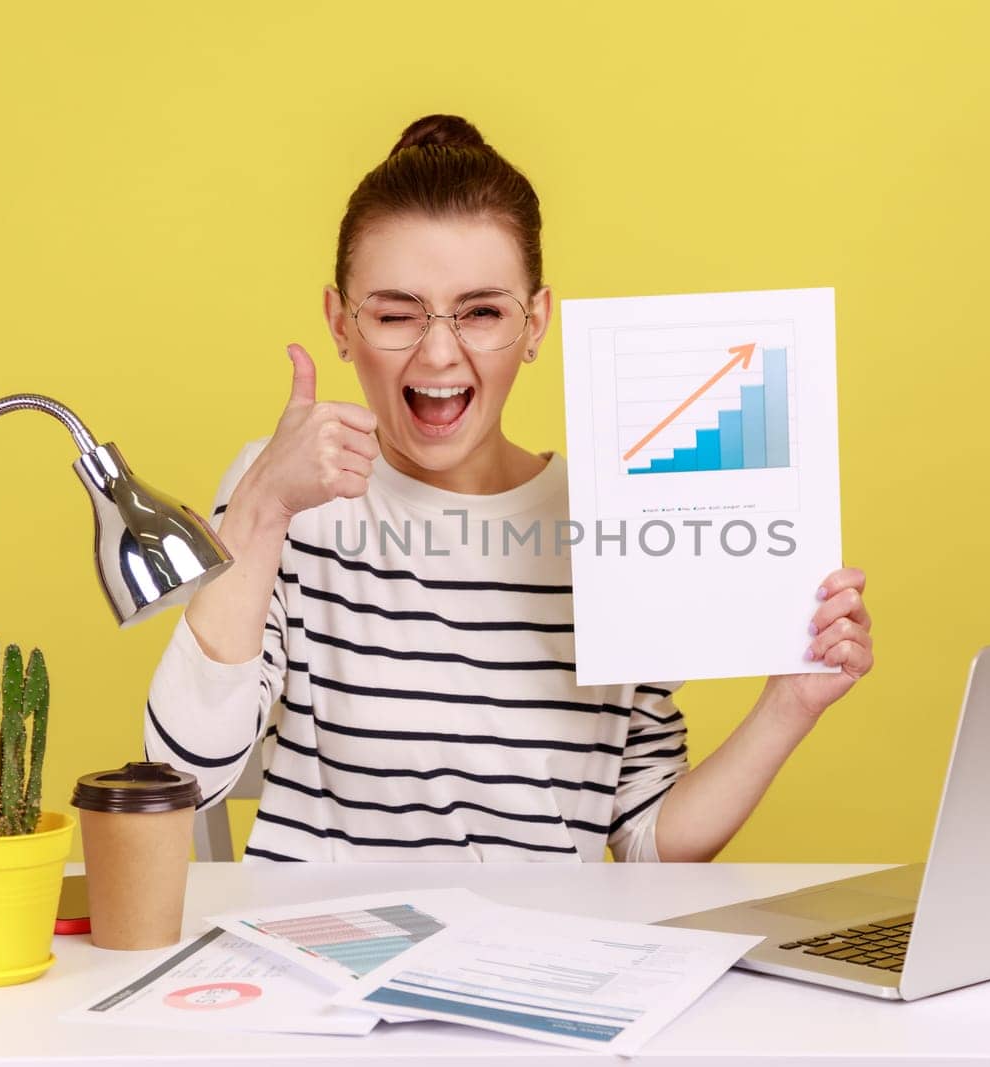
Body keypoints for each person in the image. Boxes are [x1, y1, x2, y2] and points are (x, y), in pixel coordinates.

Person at [143, 114, 874, 863]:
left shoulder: (613, 515)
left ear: (535, 323)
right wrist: (263, 506)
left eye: (482, 311)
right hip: (326, 961)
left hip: (549, 966)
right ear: (340, 322)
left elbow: (651, 840)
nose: (437, 351)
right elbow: (182, 774)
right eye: (396, 313)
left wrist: (790, 704)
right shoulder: (284, 493)